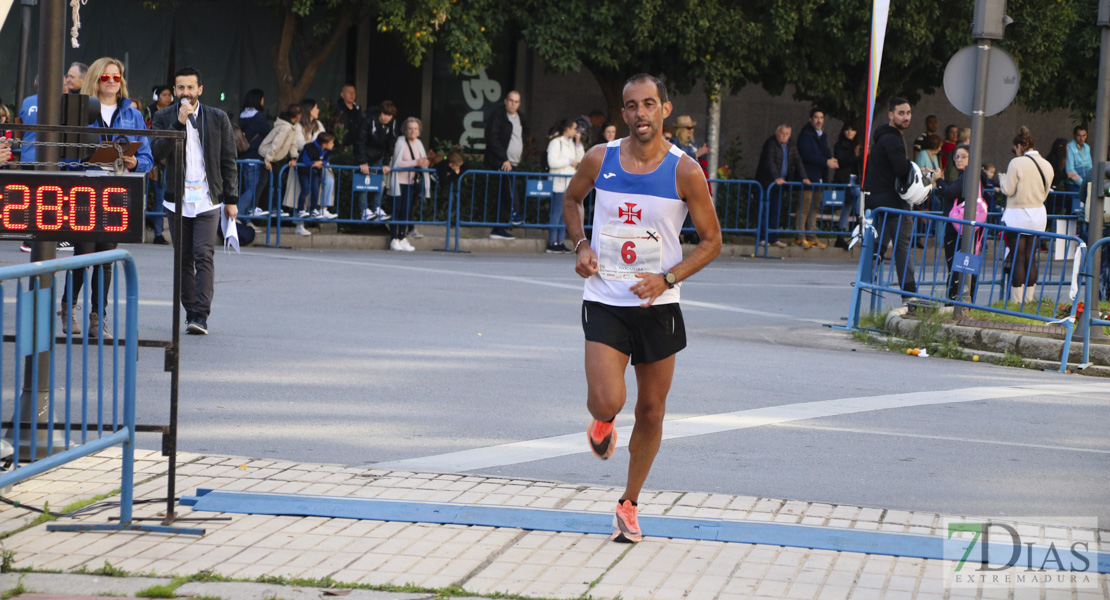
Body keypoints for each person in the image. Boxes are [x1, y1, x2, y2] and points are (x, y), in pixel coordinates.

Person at [562, 73, 721, 544]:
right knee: (608, 399)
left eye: (649, 104)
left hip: (659, 304)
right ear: (624, 113)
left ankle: (629, 503)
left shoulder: (685, 170)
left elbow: (712, 242)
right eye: (631, 106)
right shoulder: (600, 158)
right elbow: (572, 200)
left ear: (665, 110)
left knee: (652, 412)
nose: (639, 114)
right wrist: (581, 245)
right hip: (606, 298)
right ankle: (604, 419)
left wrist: (668, 278)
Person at [59, 57, 153, 337]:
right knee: (82, 253)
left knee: (106, 257)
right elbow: (64, 154)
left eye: (117, 77)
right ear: (96, 79)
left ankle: (98, 318)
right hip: (85, 187)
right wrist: (90, 157)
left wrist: (136, 163)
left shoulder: (133, 114)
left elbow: (146, 155)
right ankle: (68, 308)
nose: (112, 81)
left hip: (116, 190)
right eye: (106, 77)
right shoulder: (77, 109)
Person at [150, 66, 239, 336]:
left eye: (190, 87)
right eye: (180, 88)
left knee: (203, 254)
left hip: (207, 199)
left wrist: (231, 199)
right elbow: (157, 153)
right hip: (176, 199)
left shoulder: (217, 117)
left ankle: (201, 313)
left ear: (200, 89)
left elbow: (228, 159)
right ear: (175, 91)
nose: (185, 92)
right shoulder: (163, 116)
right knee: (183, 258)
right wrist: (178, 122)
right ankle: (190, 311)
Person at [863, 97, 917, 298]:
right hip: (893, 203)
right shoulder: (893, 138)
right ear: (891, 114)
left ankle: (864, 281)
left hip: (877, 201)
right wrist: (915, 169)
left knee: (878, 246)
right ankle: (909, 296)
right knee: (902, 249)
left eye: (908, 113)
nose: (906, 117)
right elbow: (901, 169)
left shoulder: (881, 136)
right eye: (901, 113)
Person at [999, 126, 1054, 305]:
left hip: (1017, 214)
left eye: (1015, 149)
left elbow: (1008, 189)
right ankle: (1029, 301)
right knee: (1031, 257)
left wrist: (1001, 179)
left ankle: (1016, 301)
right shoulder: (1047, 165)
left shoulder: (1017, 162)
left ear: (1019, 146)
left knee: (1018, 257)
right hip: (1038, 214)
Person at [754, 124, 809, 248]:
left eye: (787, 134)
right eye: (782, 133)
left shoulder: (791, 145)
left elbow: (798, 161)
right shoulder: (770, 144)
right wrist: (775, 177)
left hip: (780, 184)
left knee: (775, 211)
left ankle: (773, 238)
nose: (785, 136)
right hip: (766, 183)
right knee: (763, 210)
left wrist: (804, 177)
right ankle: (762, 238)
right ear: (777, 133)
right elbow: (769, 162)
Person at [484, 90, 528, 240]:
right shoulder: (498, 115)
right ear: (505, 101)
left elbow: (523, 135)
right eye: (511, 100)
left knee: (505, 194)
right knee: (510, 188)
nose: (513, 104)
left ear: (519, 104)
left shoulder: (520, 117)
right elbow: (491, 138)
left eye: (516, 101)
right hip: (502, 161)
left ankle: (499, 228)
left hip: (514, 162)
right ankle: (515, 214)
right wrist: (504, 158)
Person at [796, 108, 838, 248]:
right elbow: (807, 155)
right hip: (808, 177)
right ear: (810, 119)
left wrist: (829, 159)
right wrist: (826, 161)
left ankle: (811, 235)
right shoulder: (806, 134)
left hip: (819, 178)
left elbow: (825, 152)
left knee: (815, 208)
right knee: (804, 207)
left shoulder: (822, 135)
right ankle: (800, 236)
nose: (819, 120)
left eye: (821, 117)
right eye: (816, 117)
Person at [938, 145, 976, 300]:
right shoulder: (970, 175)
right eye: (956, 157)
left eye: (963, 156)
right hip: (965, 225)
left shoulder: (967, 176)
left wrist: (939, 181)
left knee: (956, 263)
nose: (959, 160)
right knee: (966, 262)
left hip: (958, 226)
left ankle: (956, 298)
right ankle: (964, 298)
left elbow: (950, 192)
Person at [388, 117, 430, 251]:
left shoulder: (418, 143)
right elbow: (396, 163)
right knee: (397, 210)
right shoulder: (399, 142)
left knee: (406, 210)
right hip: (398, 181)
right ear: (405, 130)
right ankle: (394, 238)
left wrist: (424, 164)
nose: (413, 131)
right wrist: (416, 163)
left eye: (415, 128)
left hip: (411, 182)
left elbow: (420, 161)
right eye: (410, 128)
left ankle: (402, 237)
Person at [290, 98, 335, 219]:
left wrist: (311, 144)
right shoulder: (298, 125)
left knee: (328, 181)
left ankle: (323, 208)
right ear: (309, 110)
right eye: (316, 108)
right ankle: (299, 223)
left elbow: (324, 141)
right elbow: (297, 142)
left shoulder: (318, 124)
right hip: (304, 162)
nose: (318, 110)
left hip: (319, 162)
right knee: (302, 191)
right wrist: (310, 145)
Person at [353, 100, 398, 222]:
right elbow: (360, 141)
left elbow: (391, 144)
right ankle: (364, 211)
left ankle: (376, 208)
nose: (387, 118)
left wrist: (386, 163)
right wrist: (362, 161)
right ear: (380, 113)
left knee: (381, 182)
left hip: (379, 156)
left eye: (390, 116)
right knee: (363, 182)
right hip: (365, 156)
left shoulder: (392, 124)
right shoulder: (368, 121)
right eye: (385, 114)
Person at [546, 117, 585, 253]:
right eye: (574, 128)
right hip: (558, 183)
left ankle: (560, 241)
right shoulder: (556, 143)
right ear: (567, 129)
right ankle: (552, 242)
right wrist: (569, 161)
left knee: (565, 214)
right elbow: (552, 162)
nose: (576, 131)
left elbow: (581, 160)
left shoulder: (572, 144)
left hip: (569, 184)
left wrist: (578, 144)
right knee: (556, 213)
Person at [238, 88, 272, 218]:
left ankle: (245, 220)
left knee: (249, 187)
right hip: (254, 157)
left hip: (243, 157)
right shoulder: (258, 117)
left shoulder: (242, 115)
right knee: (252, 188)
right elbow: (269, 134)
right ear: (259, 100)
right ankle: (237, 215)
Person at [296, 131, 335, 227]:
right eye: (331, 143)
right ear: (324, 144)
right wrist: (313, 164)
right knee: (305, 189)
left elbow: (326, 159)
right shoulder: (309, 147)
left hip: (315, 172)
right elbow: (304, 159)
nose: (333, 145)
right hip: (304, 171)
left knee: (315, 190)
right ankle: (300, 210)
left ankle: (314, 209)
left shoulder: (327, 151)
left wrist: (320, 163)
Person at [833, 123, 862, 249]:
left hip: (856, 178)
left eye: (852, 129)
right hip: (845, 179)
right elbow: (841, 161)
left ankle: (842, 233)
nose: (849, 132)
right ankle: (859, 222)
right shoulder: (840, 145)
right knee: (857, 198)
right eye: (847, 130)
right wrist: (853, 154)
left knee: (848, 206)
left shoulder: (859, 146)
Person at [333, 83, 363, 148]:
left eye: (354, 92)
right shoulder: (338, 109)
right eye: (349, 92)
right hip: (342, 146)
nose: (352, 95)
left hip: (356, 146)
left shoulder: (357, 109)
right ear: (342, 95)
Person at [1065, 125, 1092, 193]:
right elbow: (1070, 170)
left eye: (1084, 135)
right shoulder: (1070, 147)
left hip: (1086, 183)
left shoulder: (1087, 147)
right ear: (1074, 135)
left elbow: (1090, 167)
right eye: (1079, 135)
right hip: (1073, 185)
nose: (1081, 138)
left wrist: (1090, 181)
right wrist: (1084, 184)